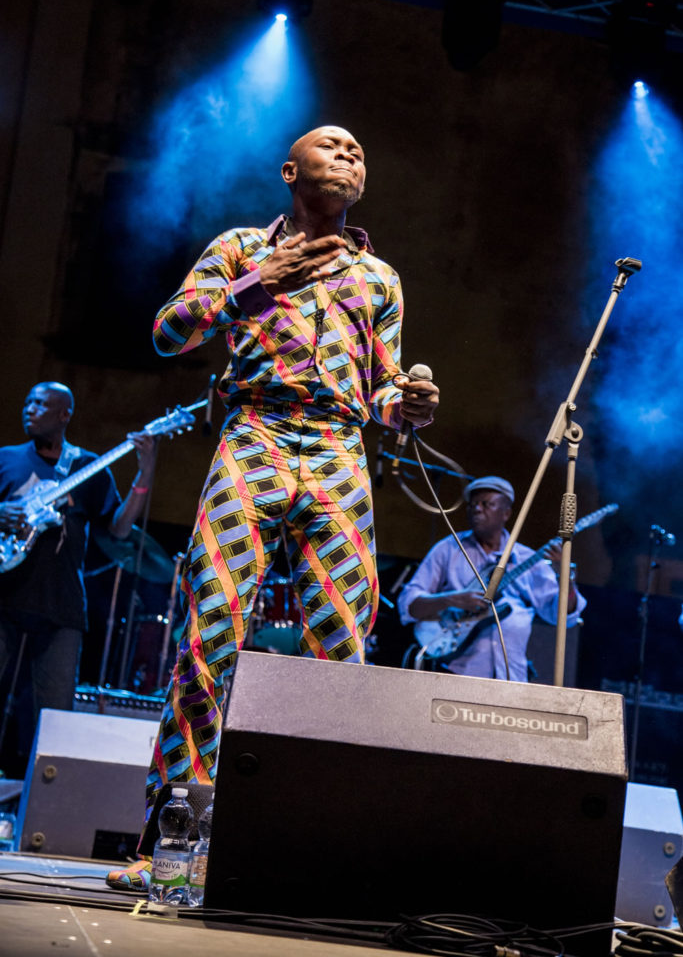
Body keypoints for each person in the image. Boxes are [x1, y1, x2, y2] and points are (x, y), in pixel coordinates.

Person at [106, 125, 439, 890]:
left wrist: (409, 408)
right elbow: (167, 334)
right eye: (331, 145)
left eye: (359, 150)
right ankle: (171, 838)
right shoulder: (239, 247)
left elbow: (382, 392)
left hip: (339, 450)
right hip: (254, 434)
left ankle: (313, 846)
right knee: (208, 633)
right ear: (290, 170)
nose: (349, 153)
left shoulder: (379, 278)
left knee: (341, 651)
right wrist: (260, 281)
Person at [0, 381, 156, 773]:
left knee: (54, 721)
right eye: (27, 401)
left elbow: (119, 529)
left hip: (61, 607)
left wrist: (145, 472)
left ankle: (41, 801)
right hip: (4, 598)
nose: (29, 409)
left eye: (40, 403)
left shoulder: (86, 467)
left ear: (64, 414)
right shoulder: (6, 459)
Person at [397, 475, 586, 681]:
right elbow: (408, 605)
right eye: (472, 505)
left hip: (511, 678)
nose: (477, 509)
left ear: (506, 513)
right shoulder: (449, 548)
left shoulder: (526, 558)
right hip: (456, 675)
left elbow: (563, 617)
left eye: (486, 504)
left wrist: (565, 577)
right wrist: (452, 599)